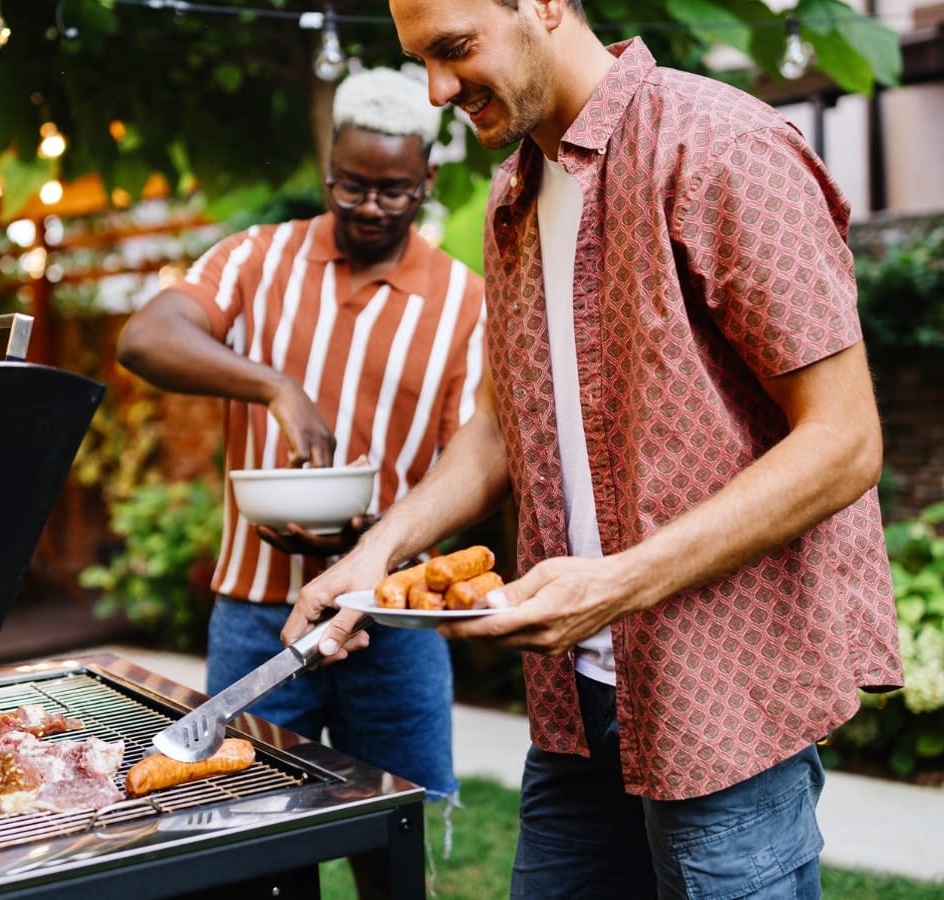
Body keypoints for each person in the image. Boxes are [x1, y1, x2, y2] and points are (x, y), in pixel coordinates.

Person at [286, 2, 904, 898]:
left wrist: (611, 584)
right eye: (421, 60)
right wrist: (374, 556)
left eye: (455, 51)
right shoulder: (514, 196)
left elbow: (845, 441)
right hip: (576, 702)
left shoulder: (718, 143)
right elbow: (501, 427)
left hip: (720, 701)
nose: (436, 90)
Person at [116, 67, 484, 823]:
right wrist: (276, 388)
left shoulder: (465, 300)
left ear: (428, 178)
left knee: (396, 832)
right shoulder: (256, 257)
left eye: (395, 190)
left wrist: (377, 542)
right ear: (328, 170)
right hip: (254, 615)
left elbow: (471, 464)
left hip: (392, 620)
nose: (371, 208)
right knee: (243, 832)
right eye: (351, 186)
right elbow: (145, 337)